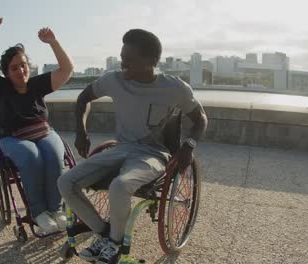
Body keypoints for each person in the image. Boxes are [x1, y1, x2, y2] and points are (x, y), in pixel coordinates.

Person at [57, 29, 207, 263]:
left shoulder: (175, 88)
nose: (122, 63)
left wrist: (189, 145)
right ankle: (105, 233)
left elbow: (200, 119)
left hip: (153, 154)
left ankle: (115, 244)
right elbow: (83, 98)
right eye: (122, 56)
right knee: (66, 182)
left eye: (129, 59)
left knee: (120, 186)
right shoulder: (113, 80)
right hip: (120, 148)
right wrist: (81, 130)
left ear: (151, 62)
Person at [0, 16, 73, 233]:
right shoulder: (0, 87)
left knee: (55, 155)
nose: (20, 71)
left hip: (43, 132)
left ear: (29, 66)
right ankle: (39, 212)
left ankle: (56, 209)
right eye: (14, 67)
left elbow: (66, 70)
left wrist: (53, 42)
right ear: (7, 72)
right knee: (30, 156)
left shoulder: (37, 84)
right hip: (12, 137)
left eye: (24, 65)